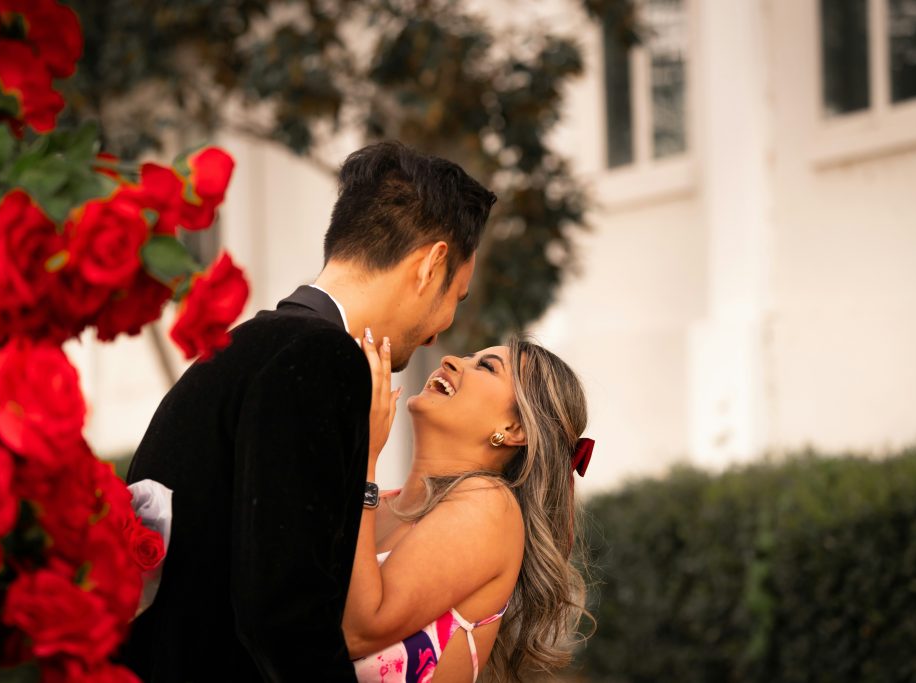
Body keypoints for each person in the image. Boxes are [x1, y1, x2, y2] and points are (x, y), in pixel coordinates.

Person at [121, 141, 496, 682]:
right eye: (454, 298)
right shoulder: (322, 360)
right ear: (431, 264)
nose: (443, 330)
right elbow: (284, 614)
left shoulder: (252, 346)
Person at [345, 335, 594, 682]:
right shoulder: (374, 501)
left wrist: (362, 457)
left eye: (487, 367)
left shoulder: (489, 505)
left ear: (514, 429)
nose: (450, 360)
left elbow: (358, 632)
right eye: (468, 355)